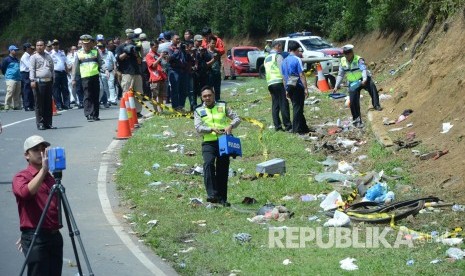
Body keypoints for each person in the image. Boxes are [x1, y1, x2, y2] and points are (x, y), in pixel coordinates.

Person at [13, 135, 63, 276]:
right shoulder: (21, 177)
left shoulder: (50, 177)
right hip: (36, 237)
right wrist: (28, 233)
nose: (41, 153)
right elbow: (25, 193)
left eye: (43, 149)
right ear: (26, 155)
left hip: (54, 235)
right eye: (36, 150)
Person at [194, 86, 241, 206]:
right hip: (208, 142)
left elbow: (237, 118)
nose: (207, 98)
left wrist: (230, 126)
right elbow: (198, 127)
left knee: (222, 169)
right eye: (205, 96)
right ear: (201, 97)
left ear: (214, 95)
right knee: (208, 164)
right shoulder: (198, 110)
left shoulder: (223, 106)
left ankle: (222, 199)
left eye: (209, 95)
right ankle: (212, 194)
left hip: (223, 141)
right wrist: (210, 129)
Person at [333, 44, 382, 128]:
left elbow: (363, 70)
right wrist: (336, 86)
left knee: (372, 86)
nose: (347, 55)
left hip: (363, 79)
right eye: (345, 53)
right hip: (353, 83)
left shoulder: (359, 59)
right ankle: (357, 120)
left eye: (348, 53)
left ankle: (376, 105)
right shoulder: (342, 61)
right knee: (353, 102)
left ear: (352, 52)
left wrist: (364, 79)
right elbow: (340, 75)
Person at [280, 41, 309, 134]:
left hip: (289, 86)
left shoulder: (284, 61)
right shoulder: (297, 59)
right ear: (297, 50)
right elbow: (301, 74)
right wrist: (306, 88)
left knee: (297, 107)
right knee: (298, 108)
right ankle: (296, 129)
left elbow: (283, 78)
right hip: (297, 86)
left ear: (289, 50)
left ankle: (304, 127)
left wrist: (286, 90)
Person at [72, 34, 103, 121]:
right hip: (85, 77)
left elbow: (101, 63)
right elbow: (75, 67)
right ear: (82, 44)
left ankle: (95, 115)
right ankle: (88, 113)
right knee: (87, 95)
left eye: (88, 43)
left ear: (90, 43)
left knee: (95, 95)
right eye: (84, 43)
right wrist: (73, 79)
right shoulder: (78, 53)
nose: (86, 45)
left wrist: (106, 71)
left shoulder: (95, 52)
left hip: (95, 76)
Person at [264, 41, 291, 132]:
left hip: (270, 83)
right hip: (279, 82)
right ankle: (287, 125)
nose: (282, 49)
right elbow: (282, 71)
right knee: (284, 103)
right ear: (278, 46)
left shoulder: (266, 58)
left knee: (275, 105)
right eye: (281, 47)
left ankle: (277, 126)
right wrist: (286, 84)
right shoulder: (278, 56)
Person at [115, 32, 143, 117]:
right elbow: (118, 58)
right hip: (126, 73)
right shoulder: (121, 47)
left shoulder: (136, 47)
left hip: (137, 72)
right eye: (133, 40)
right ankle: (127, 112)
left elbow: (139, 61)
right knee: (127, 93)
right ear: (128, 39)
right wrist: (127, 52)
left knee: (138, 93)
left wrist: (136, 53)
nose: (134, 42)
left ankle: (137, 112)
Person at [30, 40, 56, 130]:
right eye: (38, 45)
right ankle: (40, 123)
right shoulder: (34, 57)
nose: (39, 47)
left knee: (48, 103)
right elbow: (32, 69)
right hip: (39, 82)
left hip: (48, 81)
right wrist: (32, 80)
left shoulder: (48, 56)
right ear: (36, 46)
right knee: (39, 104)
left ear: (44, 46)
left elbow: (52, 68)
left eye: (41, 45)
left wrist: (53, 79)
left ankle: (48, 123)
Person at [146, 40, 168, 112]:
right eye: (155, 47)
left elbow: (164, 64)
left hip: (161, 77)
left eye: (157, 47)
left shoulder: (157, 54)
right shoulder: (149, 55)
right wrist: (160, 57)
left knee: (161, 95)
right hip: (154, 78)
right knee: (154, 95)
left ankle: (161, 110)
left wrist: (165, 58)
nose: (156, 48)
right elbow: (153, 65)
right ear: (151, 47)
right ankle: (155, 111)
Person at [50, 39, 70, 110]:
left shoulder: (62, 52)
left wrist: (67, 72)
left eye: (57, 44)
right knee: (56, 90)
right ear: (52, 46)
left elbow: (65, 63)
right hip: (55, 72)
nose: (56, 46)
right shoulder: (50, 54)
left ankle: (67, 104)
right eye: (54, 44)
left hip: (63, 72)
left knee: (65, 88)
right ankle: (59, 105)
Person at [2, 45, 22, 110]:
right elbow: (3, 68)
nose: (16, 51)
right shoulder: (6, 59)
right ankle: (7, 105)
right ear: (10, 51)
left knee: (17, 92)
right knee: (10, 91)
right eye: (15, 50)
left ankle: (15, 105)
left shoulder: (16, 59)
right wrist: (6, 74)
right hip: (10, 78)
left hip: (18, 77)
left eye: (16, 50)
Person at [97, 42, 117, 107]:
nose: (101, 48)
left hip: (110, 71)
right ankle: (108, 99)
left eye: (102, 46)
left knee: (111, 85)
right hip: (102, 72)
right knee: (105, 87)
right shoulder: (98, 53)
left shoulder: (109, 53)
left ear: (104, 47)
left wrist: (115, 70)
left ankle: (113, 99)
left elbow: (114, 62)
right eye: (99, 47)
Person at [20, 43, 36, 111]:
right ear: (26, 49)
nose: (31, 49)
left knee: (30, 90)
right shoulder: (25, 56)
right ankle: (27, 106)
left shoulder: (29, 55)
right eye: (30, 48)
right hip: (25, 73)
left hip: (29, 73)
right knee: (26, 90)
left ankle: (31, 105)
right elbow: (29, 66)